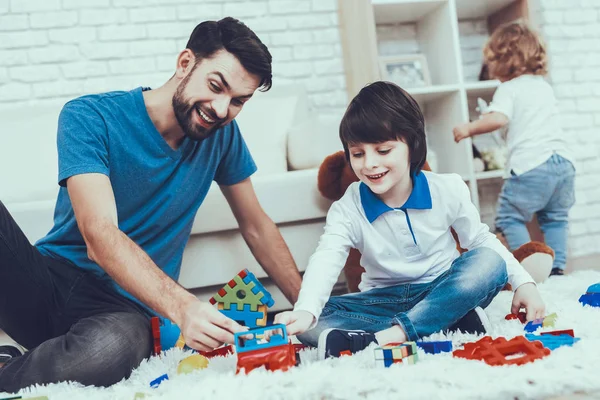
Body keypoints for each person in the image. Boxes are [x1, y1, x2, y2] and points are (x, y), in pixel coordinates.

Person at [0, 17, 302, 391]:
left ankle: (10, 370)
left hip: (119, 311)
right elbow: (99, 234)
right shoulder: (90, 116)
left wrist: (306, 306)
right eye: (215, 86)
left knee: (110, 349)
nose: (222, 109)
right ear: (185, 63)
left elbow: (256, 225)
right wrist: (183, 307)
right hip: (48, 281)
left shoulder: (222, 138)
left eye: (239, 100)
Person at [273, 81, 545, 359]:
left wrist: (524, 282)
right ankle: (448, 320)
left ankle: (393, 335)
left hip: (442, 288)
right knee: (312, 323)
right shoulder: (347, 207)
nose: (369, 164)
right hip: (383, 301)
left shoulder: (447, 188)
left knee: (489, 261)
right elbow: (327, 257)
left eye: (383, 151)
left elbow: (480, 240)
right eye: (358, 154)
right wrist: (305, 310)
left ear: (412, 145)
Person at [452, 22, 576, 277]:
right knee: (555, 219)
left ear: (503, 59)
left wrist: (469, 128)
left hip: (532, 164)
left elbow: (498, 119)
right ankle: (557, 269)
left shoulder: (509, 88)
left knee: (509, 218)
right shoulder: (543, 85)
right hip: (563, 164)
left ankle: (528, 268)